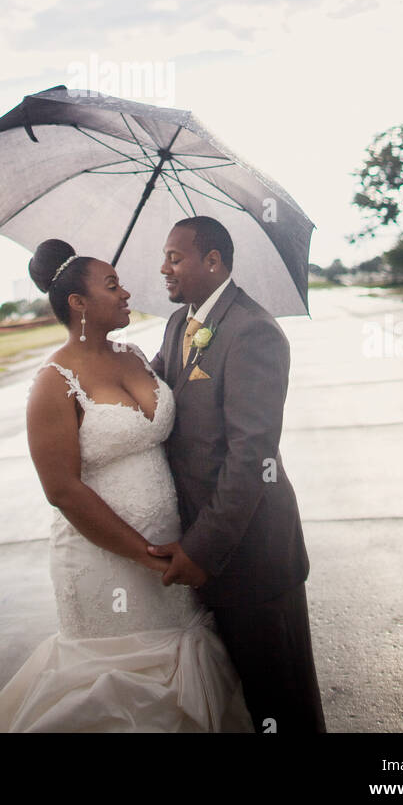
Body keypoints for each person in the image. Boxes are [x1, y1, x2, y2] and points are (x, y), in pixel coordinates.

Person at [0, 238, 254, 733]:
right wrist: (147, 556)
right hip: (106, 562)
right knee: (122, 691)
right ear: (78, 304)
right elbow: (62, 490)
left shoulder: (135, 355)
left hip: (175, 549)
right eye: (112, 285)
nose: (126, 293)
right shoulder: (53, 381)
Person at [146, 216, 327, 734]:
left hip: (254, 555)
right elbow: (160, 388)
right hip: (208, 551)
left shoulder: (254, 331)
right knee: (239, 708)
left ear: (213, 261)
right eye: (165, 257)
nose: (164, 268)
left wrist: (200, 549)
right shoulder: (179, 323)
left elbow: (252, 458)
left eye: (174, 258)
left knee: (282, 703)